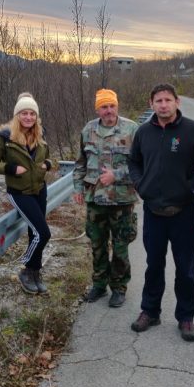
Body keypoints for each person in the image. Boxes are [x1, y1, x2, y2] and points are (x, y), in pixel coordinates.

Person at [128, 83, 194, 342]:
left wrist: (191, 187)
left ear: (177, 102)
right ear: (151, 104)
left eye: (167, 100)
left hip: (183, 212)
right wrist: (140, 184)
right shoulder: (143, 132)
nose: (163, 105)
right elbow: (134, 161)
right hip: (153, 212)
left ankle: (186, 317)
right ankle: (150, 311)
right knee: (154, 264)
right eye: (158, 101)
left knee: (185, 268)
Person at [0, 92, 57, 294]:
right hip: (19, 192)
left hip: (39, 189)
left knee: (35, 232)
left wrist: (48, 164)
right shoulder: (5, 137)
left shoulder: (40, 133)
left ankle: (34, 273)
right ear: (17, 115)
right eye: (24, 113)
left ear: (36, 116)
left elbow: (48, 156)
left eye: (32, 114)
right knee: (44, 233)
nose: (28, 117)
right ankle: (26, 268)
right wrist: (11, 168)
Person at [73, 88, 139, 308]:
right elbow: (80, 163)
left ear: (117, 106)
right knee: (97, 245)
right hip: (95, 199)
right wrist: (78, 188)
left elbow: (141, 165)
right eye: (104, 107)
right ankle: (99, 284)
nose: (109, 110)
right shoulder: (88, 130)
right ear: (97, 109)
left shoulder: (132, 129)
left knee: (120, 246)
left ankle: (119, 288)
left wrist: (117, 175)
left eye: (112, 106)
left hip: (122, 199)